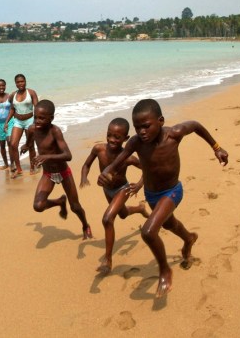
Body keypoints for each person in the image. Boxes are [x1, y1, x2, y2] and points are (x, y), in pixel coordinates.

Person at [98, 99, 228, 298]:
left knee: (149, 232)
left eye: (146, 126)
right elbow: (118, 160)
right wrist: (106, 171)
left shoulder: (174, 134)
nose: (142, 131)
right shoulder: (135, 143)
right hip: (151, 195)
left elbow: (196, 125)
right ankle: (189, 238)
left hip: (172, 191)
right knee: (170, 225)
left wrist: (217, 147)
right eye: (137, 127)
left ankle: (165, 270)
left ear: (160, 121)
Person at [80, 117, 150, 275]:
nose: (112, 139)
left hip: (122, 189)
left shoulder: (128, 158)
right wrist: (84, 177)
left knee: (107, 219)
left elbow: (147, 168)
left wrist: (139, 184)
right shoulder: (99, 149)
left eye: (117, 137)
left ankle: (107, 260)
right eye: (109, 135)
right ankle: (139, 208)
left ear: (125, 139)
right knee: (123, 214)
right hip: (107, 190)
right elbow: (86, 164)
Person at [21, 99, 93, 240]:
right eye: (35, 117)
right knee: (38, 205)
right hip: (48, 174)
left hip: (63, 172)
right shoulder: (31, 129)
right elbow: (29, 142)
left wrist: (47, 157)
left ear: (51, 118)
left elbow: (68, 155)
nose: (37, 121)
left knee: (75, 207)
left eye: (42, 118)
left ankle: (85, 225)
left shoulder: (55, 132)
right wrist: (25, 146)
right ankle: (59, 201)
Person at [4, 74, 38, 179]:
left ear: (25, 81)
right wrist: (6, 121)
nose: (20, 84)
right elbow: (12, 109)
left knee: (31, 145)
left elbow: (37, 108)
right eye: (18, 82)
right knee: (13, 144)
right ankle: (19, 169)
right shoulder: (13, 95)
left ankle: (33, 166)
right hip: (17, 121)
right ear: (15, 83)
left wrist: (37, 122)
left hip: (30, 121)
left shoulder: (31, 93)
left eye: (22, 81)